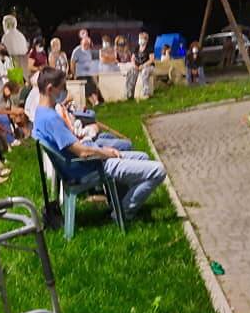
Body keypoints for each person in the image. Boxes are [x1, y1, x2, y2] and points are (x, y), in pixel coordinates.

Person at [32, 68, 166, 220]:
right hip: (91, 167)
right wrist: (107, 153)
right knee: (159, 170)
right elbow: (83, 153)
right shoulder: (51, 119)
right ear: (50, 89)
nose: (65, 91)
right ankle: (123, 213)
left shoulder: (41, 113)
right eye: (62, 87)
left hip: (87, 163)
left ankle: (121, 202)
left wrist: (101, 149)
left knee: (142, 157)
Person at [71, 35, 103, 106]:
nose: (86, 46)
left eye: (88, 44)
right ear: (81, 43)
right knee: (86, 85)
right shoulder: (77, 51)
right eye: (85, 44)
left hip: (89, 74)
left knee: (93, 85)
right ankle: (94, 102)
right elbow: (72, 63)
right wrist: (74, 74)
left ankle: (96, 101)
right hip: (80, 74)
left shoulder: (90, 51)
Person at [127, 32, 156, 100]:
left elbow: (151, 59)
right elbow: (132, 58)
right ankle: (130, 94)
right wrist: (135, 66)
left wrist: (143, 66)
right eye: (140, 38)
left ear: (146, 40)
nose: (140, 40)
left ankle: (146, 93)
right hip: (138, 66)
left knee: (144, 72)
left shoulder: (149, 48)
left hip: (148, 66)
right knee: (132, 72)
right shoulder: (137, 47)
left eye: (142, 38)